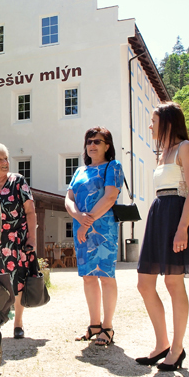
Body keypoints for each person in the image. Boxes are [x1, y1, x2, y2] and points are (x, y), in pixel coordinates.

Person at [136, 102, 189, 371]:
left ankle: (177, 348)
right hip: (158, 214)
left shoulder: (186, 148)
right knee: (144, 283)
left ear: (168, 122)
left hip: (176, 216)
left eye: (153, 120)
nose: (150, 126)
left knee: (174, 285)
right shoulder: (161, 154)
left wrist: (182, 228)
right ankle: (162, 343)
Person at [65, 127, 123, 346]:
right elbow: (68, 199)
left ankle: (108, 328)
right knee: (88, 278)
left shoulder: (113, 166)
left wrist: (84, 221)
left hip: (103, 230)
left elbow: (110, 198)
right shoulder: (80, 171)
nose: (92, 145)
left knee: (106, 277)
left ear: (107, 145)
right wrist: (79, 217)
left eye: (97, 141)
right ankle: (94, 325)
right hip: (82, 229)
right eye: (89, 141)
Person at [0, 143, 37, 339]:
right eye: (0, 159)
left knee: (17, 281)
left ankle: (18, 323)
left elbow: (30, 211)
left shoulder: (18, 181)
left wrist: (32, 239)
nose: (5, 162)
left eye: (6, 158)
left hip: (16, 241)